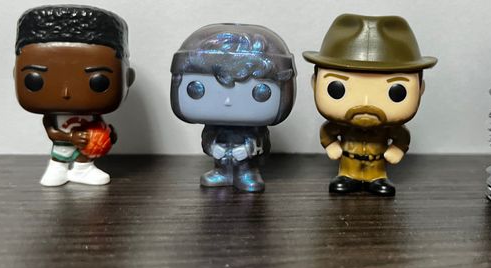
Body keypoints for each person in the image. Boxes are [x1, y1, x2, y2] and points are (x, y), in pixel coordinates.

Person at [303, 14, 437, 196]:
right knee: (345, 180)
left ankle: (378, 179)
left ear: (420, 89)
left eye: (397, 92)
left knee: (378, 180)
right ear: (315, 83)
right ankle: (347, 177)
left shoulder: (390, 128)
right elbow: (327, 131)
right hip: (348, 164)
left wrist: (397, 150)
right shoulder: (340, 126)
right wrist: (331, 145)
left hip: (377, 166)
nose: (365, 102)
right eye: (337, 89)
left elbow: (402, 136)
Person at [15, 5, 134, 186]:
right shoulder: (52, 117)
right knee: (56, 170)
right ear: (15, 75)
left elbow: (99, 126)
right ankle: (58, 169)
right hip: (61, 149)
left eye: (99, 82)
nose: (66, 93)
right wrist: (71, 137)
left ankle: (82, 170)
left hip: (86, 151)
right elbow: (52, 132)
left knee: (83, 158)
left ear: (127, 79)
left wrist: (108, 135)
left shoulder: (93, 115)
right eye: (35, 80)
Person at [170, 24, 296, 192]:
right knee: (220, 167)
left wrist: (247, 150)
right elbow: (207, 139)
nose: (227, 101)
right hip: (221, 160)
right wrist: (213, 147)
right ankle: (222, 173)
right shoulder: (213, 128)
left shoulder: (255, 129)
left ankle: (247, 174)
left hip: (245, 162)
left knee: (246, 171)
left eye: (260, 92)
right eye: (197, 89)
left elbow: (262, 143)